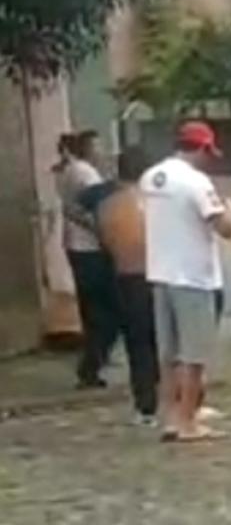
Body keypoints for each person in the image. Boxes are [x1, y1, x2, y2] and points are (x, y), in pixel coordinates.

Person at [141, 122, 231, 442]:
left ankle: (168, 417)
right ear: (203, 148)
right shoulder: (196, 182)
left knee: (168, 355)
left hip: (160, 272)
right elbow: (223, 226)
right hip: (193, 276)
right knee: (194, 355)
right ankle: (187, 422)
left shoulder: (151, 177)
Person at [88, 147, 159, 425]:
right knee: (166, 342)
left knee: (137, 344)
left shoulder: (107, 206)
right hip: (155, 275)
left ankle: (145, 405)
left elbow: (105, 242)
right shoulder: (153, 203)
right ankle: (178, 399)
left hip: (124, 277)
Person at [60, 130, 119, 389]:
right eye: (98, 147)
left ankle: (93, 362)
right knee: (105, 310)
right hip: (90, 249)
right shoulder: (86, 173)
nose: (102, 152)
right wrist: (103, 231)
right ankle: (92, 364)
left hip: (78, 247)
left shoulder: (71, 170)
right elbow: (89, 208)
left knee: (93, 309)